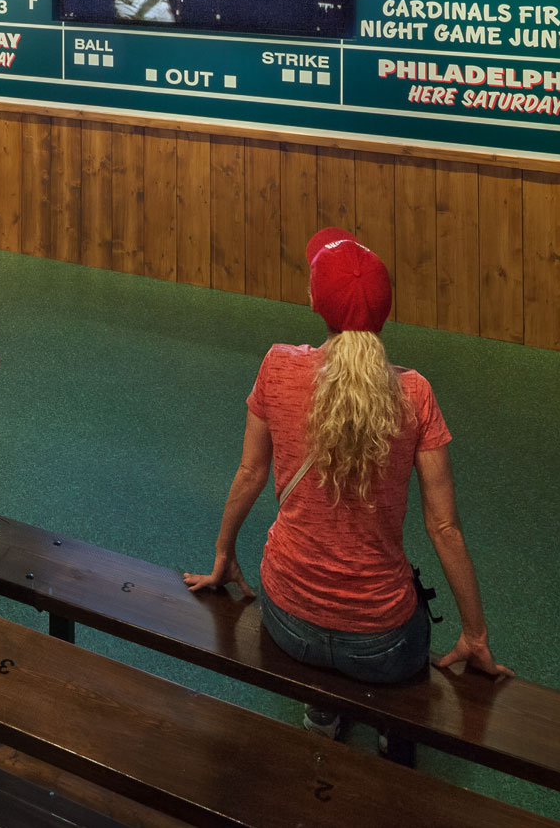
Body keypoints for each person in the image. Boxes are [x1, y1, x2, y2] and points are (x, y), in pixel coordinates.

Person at [185, 228, 510, 746]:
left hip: (287, 618)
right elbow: (443, 526)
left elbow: (250, 475)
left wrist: (223, 554)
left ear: (315, 301)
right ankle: (389, 732)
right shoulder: (415, 393)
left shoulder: (278, 366)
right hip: (380, 639)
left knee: (315, 635)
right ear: (386, 310)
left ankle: (322, 715)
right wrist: (475, 634)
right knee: (406, 633)